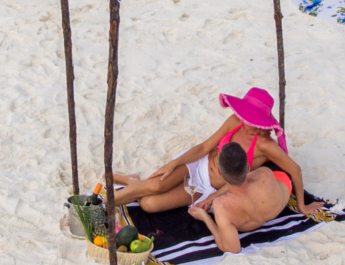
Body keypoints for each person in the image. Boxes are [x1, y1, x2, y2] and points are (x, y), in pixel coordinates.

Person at [112, 87, 323, 217]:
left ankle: (132, 181)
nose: (246, 122)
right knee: (154, 185)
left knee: (150, 204)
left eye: (252, 120)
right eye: (245, 115)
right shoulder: (235, 122)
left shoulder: (265, 146)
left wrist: (303, 205)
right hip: (199, 164)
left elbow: (295, 170)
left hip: (209, 186)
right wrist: (172, 164)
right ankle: (99, 205)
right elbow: (204, 147)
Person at [187, 142, 291, 253]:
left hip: (250, 207)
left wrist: (205, 218)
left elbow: (233, 249)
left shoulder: (222, 206)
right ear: (248, 168)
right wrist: (212, 197)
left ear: (219, 171)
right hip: (283, 189)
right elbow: (245, 179)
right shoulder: (264, 173)